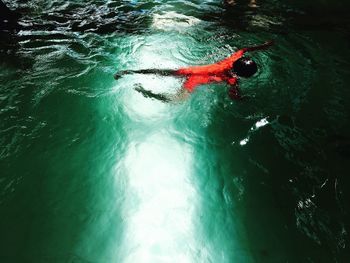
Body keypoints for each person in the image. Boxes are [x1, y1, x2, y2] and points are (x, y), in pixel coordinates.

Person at [114, 40, 273, 102]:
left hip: (190, 71)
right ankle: (143, 91)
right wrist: (243, 99)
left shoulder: (232, 60)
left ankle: (130, 72)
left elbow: (244, 48)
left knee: (160, 71)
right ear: (242, 75)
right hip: (194, 81)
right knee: (175, 101)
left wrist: (260, 46)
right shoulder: (232, 80)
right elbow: (233, 96)